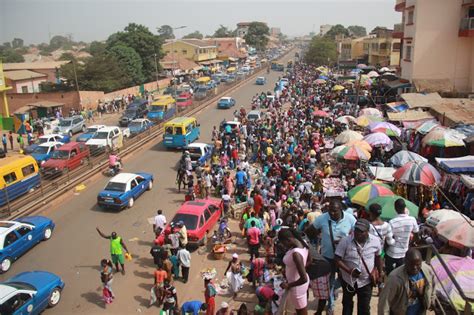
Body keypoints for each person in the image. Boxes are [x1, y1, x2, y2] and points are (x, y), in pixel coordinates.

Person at [306, 198, 356, 313]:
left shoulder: (350, 219)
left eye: (334, 211)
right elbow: (309, 232)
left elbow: (355, 235)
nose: (332, 213)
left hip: (344, 257)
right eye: (330, 211)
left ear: (341, 210)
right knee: (329, 281)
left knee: (344, 280)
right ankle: (330, 305)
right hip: (327, 256)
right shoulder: (322, 218)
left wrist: (344, 241)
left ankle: (334, 290)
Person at [335, 219, 383, 315]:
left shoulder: (376, 241)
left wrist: (379, 272)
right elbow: (337, 259)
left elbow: (378, 257)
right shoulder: (345, 241)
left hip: (366, 281)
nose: (357, 233)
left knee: (364, 308)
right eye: (356, 230)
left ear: (367, 232)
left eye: (361, 231)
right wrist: (349, 271)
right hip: (348, 280)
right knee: (347, 306)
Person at [378, 248, 436, 315]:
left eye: (418, 264)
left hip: (420, 311)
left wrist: (431, 299)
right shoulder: (395, 278)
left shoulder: (427, 271)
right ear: (405, 262)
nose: (415, 268)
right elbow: (384, 302)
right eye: (412, 264)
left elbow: (432, 285)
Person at [278, 228, 310, 315]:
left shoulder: (296, 254)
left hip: (297, 286)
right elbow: (310, 259)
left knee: (301, 311)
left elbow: (303, 279)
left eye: (283, 243)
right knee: (299, 309)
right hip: (298, 282)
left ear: (288, 240)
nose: (284, 246)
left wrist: (288, 285)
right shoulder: (303, 243)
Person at [385, 198, 420, 275]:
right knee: (401, 274)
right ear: (405, 207)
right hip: (404, 253)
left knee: (390, 274)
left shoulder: (392, 222)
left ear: (395, 208)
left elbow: (389, 240)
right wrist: (411, 243)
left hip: (391, 253)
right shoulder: (412, 219)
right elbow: (417, 235)